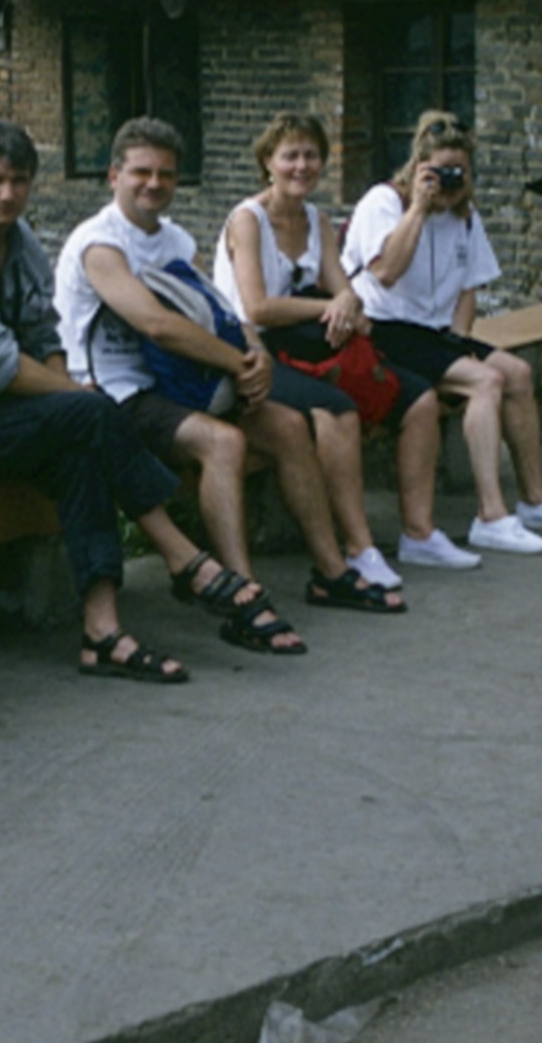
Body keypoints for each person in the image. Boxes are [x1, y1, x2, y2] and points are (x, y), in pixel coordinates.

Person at [0, 120, 277, 685]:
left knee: (82, 449)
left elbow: (42, 335)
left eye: (19, 181)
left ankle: (103, 632)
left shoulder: (20, 241)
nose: (7, 194)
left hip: (0, 411)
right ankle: (181, 556)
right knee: (92, 414)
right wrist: (75, 396)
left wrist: (69, 397)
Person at [58, 118, 400, 661]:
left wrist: (256, 352)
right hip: (120, 391)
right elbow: (157, 325)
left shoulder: (174, 238)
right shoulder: (99, 243)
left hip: (186, 379)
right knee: (224, 443)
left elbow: (219, 310)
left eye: (166, 174)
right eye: (141, 173)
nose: (154, 184)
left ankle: (331, 571)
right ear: (114, 176)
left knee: (288, 425)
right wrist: (239, 365)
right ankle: (242, 596)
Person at [344, 112, 542, 557]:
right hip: (384, 329)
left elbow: (468, 289)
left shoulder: (465, 215)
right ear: (420, 167)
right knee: (486, 381)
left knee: (517, 373)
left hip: (436, 333)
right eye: (442, 172)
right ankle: (491, 517)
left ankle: (534, 500)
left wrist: (457, 344)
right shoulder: (385, 203)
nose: (452, 182)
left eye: (460, 172)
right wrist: (419, 208)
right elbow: (385, 272)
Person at [212, 112, 448, 579]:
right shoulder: (248, 220)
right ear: (268, 162)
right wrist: (330, 306)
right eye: (290, 156)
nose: (301, 166)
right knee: (336, 411)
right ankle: (360, 547)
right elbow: (257, 307)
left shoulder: (316, 220)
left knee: (420, 398)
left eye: (311, 155)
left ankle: (419, 534)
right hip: (253, 349)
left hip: (308, 344)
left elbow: (347, 292)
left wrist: (344, 303)